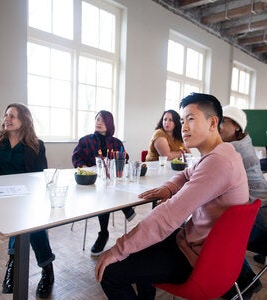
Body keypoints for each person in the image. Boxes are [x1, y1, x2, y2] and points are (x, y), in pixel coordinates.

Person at [95, 93, 249, 299]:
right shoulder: (222, 152)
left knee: (110, 272)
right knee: (140, 245)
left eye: (191, 119)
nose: (183, 127)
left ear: (213, 123)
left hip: (197, 258)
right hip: (198, 245)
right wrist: (168, 188)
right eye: (182, 120)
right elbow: (186, 174)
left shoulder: (218, 162)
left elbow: (169, 215)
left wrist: (118, 249)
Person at [0, 103, 55, 298]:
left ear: (24, 121)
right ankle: (46, 266)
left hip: (24, 197)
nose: (6, 120)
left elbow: (40, 177)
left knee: (28, 221)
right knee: (27, 221)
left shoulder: (36, 145)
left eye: (12, 116)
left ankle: (15, 262)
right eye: (6, 115)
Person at [72, 110, 136, 256]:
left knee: (110, 188)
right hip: (92, 183)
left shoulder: (117, 143)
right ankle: (125, 210)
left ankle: (104, 233)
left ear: (109, 123)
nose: (98, 122)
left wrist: (123, 158)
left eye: (102, 120)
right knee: (104, 191)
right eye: (97, 119)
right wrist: (86, 169)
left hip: (112, 182)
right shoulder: (85, 140)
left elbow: (123, 161)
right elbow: (76, 158)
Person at [220, 105, 267, 296]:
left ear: (237, 127)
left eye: (223, 121)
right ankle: (246, 280)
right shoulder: (244, 142)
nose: (218, 126)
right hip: (259, 209)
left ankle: (245, 281)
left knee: (216, 230)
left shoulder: (232, 149)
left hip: (260, 217)